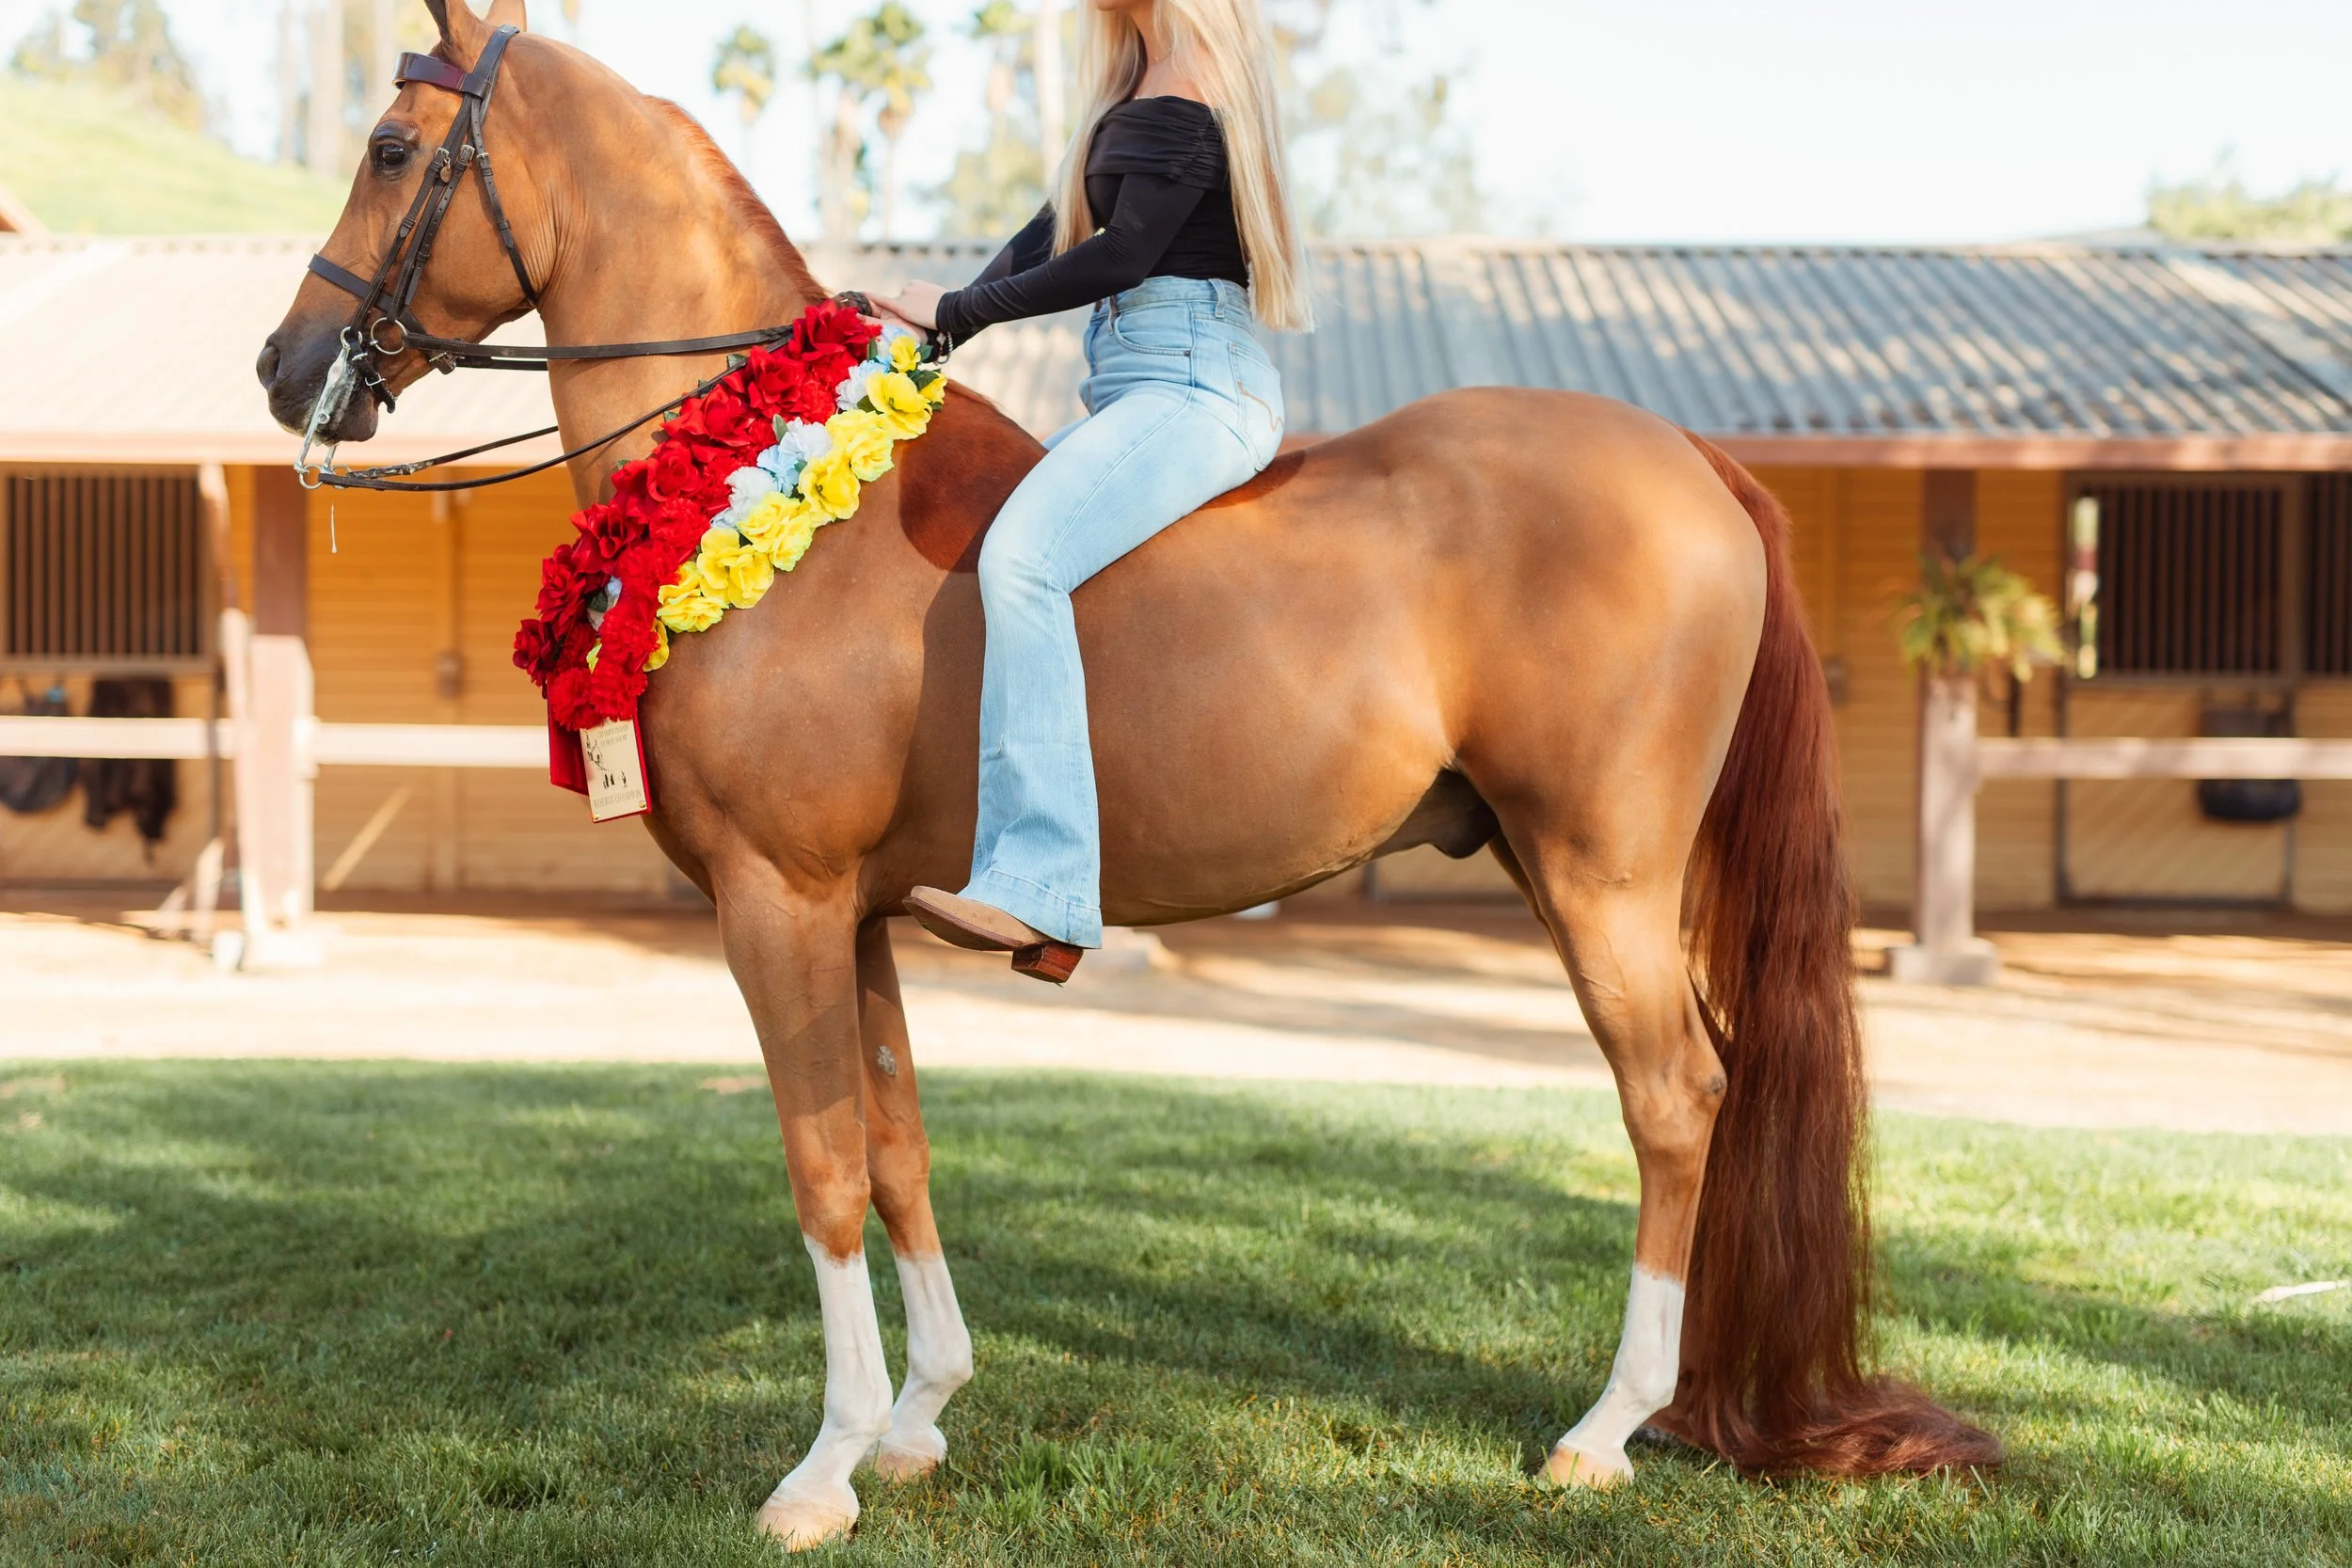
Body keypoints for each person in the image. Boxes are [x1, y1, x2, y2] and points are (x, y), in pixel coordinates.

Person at [871, 0, 1311, 980]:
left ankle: (1042, 883)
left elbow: (1120, 256)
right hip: (1135, 381)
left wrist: (956, 308)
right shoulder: (1141, 80)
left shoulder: (1192, 79)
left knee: (1024, 558)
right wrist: (941, 328)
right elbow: (1055, 230)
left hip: (1197, 382)